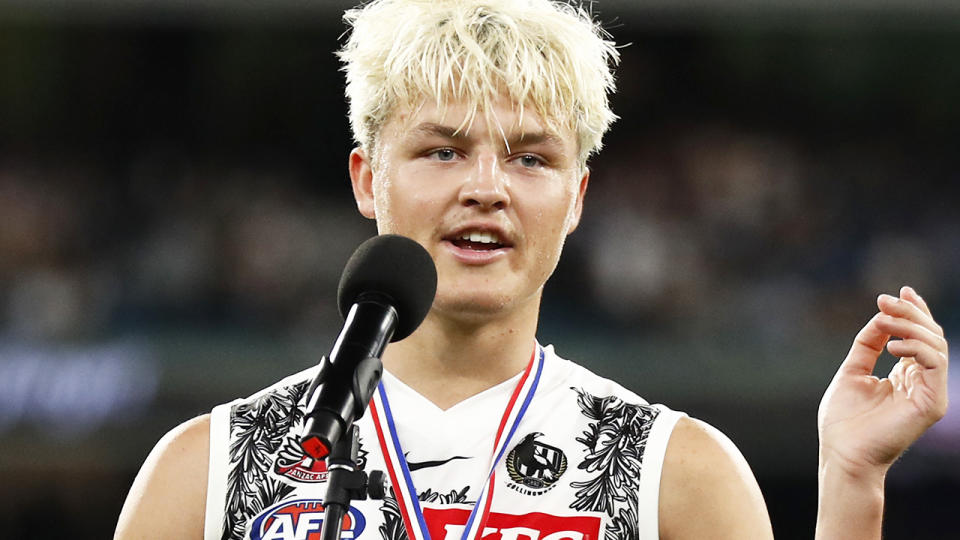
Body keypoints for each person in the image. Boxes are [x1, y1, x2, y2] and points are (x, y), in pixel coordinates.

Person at [114, 1, 950, 539]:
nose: (485, 188)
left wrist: (851, 485)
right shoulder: (209, 472)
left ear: (577, 196)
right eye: (442, 150)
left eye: (529, 158)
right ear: (369, 179)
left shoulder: (679, 475)